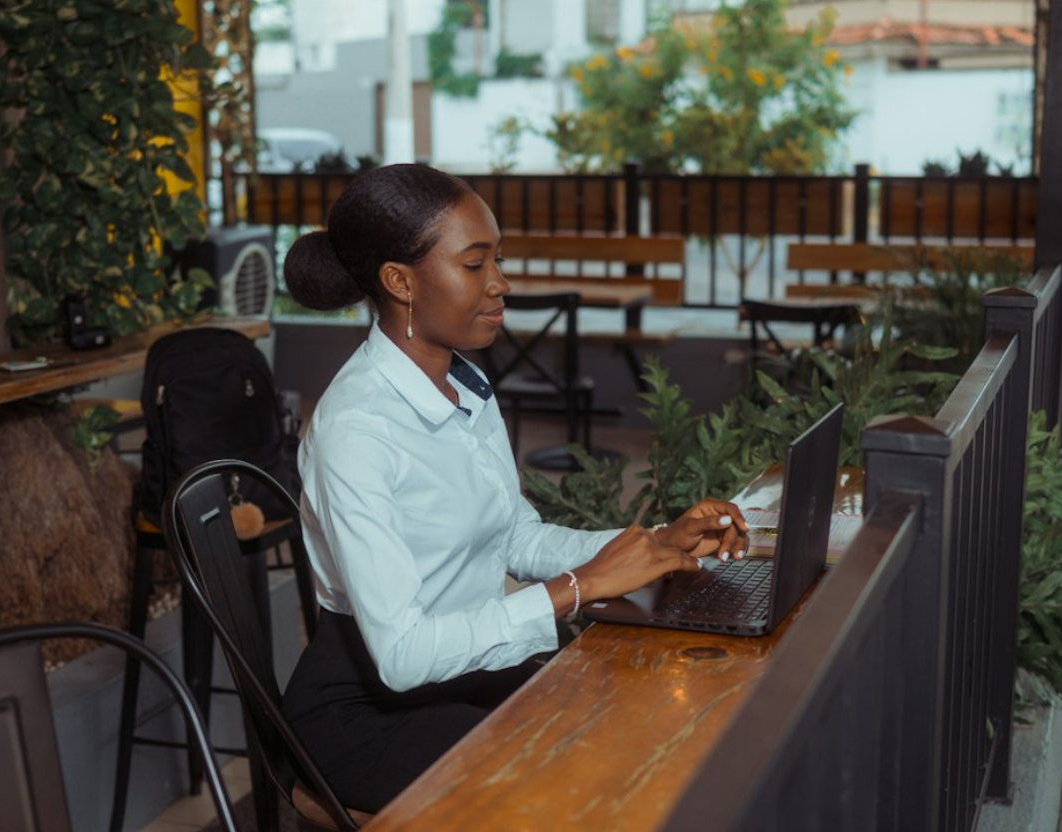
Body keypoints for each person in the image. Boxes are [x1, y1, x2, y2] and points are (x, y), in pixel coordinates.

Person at [280, 163, 748, 813]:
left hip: (464, 677)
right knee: (572, 783)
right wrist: (577, 589)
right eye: (475, 265)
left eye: (497, 259)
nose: (501, 284)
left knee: (633, 728)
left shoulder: (466, 386)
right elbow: (403, 655)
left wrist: (655, 544)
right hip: (367, 711)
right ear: (399, 280)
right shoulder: (356, 429)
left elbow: (515, 536)